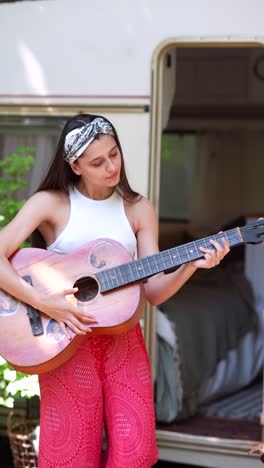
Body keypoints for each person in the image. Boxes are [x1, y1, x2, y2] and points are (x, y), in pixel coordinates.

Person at [0, 114, 230, 467]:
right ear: (75, 165)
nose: (111, 166)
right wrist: (41, 299)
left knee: (135, 450)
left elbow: (152, 292)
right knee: (71, 456)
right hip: (65, 339)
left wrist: (190, 266)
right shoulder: (50, 204)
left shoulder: (138, 208)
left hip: (124, 341)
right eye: (97, 161)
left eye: (114, 154)